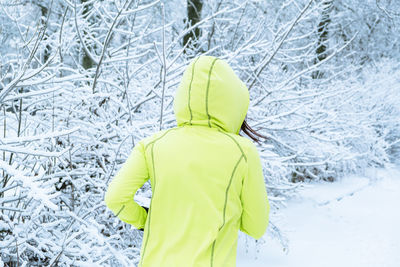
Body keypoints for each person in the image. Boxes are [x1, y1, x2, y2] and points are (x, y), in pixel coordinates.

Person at [104, 55, 270, 267]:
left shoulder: (152, 145)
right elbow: (257, 227)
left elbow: (115, 198)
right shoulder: (243, 153)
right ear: (234, 102)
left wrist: (145, 220)